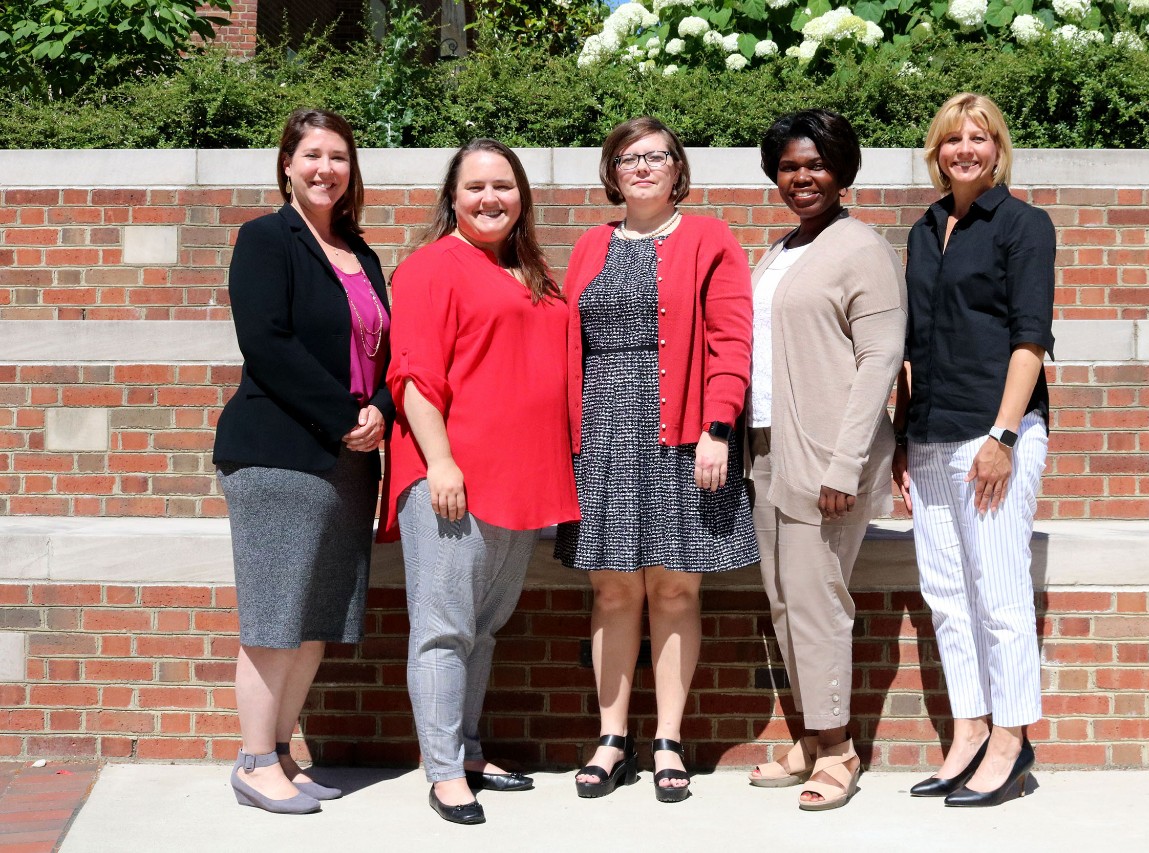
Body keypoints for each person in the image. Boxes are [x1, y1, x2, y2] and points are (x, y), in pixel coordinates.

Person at [554, 116, 758, 804]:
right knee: (613, 588)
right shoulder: (589, 245)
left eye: (656, 157)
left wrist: (719, 425)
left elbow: (732, 339)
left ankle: (668, 736)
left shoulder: (709, 237)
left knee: (675, 587)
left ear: (678, 169)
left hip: (683, 433)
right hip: (604, 434)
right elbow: (565, 344)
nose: (642, 167)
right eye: (628, 158)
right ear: (612, 173)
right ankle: (612, 736)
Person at [379, 138, 580, 826]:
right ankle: (442, 772)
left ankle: (464, 748)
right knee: (442, 628)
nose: (490, 197)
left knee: (483, 628)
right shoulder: (431, 268)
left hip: (520, 481)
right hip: (453, 479)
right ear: (453, 198)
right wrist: (439, 461)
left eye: (503, 185)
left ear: (521, 195)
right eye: (475, 187)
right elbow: (411, 374)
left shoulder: (532, 272)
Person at [213, 108, 392, 815]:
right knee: (274, 614)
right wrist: (349, 414)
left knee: (317, 615)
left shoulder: (360, 251)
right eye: (312, 154)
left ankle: (282, 751)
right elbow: (268, 343)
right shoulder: (265, 239)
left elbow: (384, 348)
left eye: (339, 157)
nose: (325, 168)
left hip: (350, 461)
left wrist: (376, 403)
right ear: (286, 163)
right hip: (280, 453)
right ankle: (254, 760)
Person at [892, 92, 1055, 807]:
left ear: (998, 148)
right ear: (937, 149)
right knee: (948, 598)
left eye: (979, 138)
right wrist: (901, 437)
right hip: (929, 434)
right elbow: (911, 348)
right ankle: (968, 732)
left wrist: (1004, 434)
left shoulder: (1023, 224)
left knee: (1000, 595)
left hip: (993, 436)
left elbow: (1030, 338)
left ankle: (1012, 743)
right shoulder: (925, 229)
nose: (965, 148)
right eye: (953, 138)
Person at [743, 110, 906, 811]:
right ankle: (811, 736)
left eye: (814, 164)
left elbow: (880, 359)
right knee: (783, 599)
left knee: (817, 599)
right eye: (788, 166)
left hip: (827, 455)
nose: (801, 177)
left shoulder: (860, 247)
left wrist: (845, 464)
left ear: (842, 170)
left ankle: (838, 746)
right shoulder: (780, 249)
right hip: (768, 446)